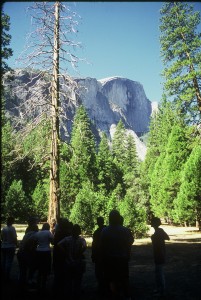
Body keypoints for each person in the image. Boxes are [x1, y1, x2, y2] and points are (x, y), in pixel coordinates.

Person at [100, 210, 134, 299]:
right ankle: (126, 296)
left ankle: (114, 295)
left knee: (111, 279)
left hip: (109, 260)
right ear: (119, 218)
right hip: (122, 259)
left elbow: (102, 246)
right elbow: (130, 242)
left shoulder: (105, 231)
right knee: (124, 278)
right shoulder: (125, 230)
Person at [58, 224, 87, 299]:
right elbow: (85, 246)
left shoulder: (67, 239)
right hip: (77, 262)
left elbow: (59, 244)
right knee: (77, 280)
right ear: (79, 231)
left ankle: (68, 294)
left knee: (68, 280)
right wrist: (80, 252)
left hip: (68, 262)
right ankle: (76, 294)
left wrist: (65, 252)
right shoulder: (81, 239)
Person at [151, 217, 170, 297]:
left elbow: (166, 238)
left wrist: (154, 237)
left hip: (159, 254)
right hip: (160, 254)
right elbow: (167, 238)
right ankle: (159, 289)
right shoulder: (160, 231)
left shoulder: (156, 234)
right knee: (158, 272)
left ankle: (161, 290)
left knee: (159, 273)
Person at [17, 223, 39, 288]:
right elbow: (31, 245)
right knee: (32, 267)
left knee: (22, 270)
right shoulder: (35, 235)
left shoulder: (27, 234)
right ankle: (29, 283)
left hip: (20, 252)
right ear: (36, 229)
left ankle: (21, 285)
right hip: (26, 253)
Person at [34, 222, 54, 292]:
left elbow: (35, 242)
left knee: (39, 269)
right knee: (45, 269)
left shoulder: (38, 233)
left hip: (38, 251)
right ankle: (43, 285)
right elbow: (52, 242)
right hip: (46, 251)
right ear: (48, 227)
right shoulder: (48, 233)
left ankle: (38, 284)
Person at [91, 216, 106, 293]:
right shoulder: (107, 230)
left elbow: (94, 244)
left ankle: (101, 286)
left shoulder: (96, 232)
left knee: (99, 272)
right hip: (106, 254)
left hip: (99, 254)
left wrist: (93, 255)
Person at [1, 217, 18, 283]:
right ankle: (7, 277)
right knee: (8, 262)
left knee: (3, 261)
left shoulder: (4, 228)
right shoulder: (12, 228)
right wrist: (16, 245)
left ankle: (3, 276)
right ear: (11, 221)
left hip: (3, 246)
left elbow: (1, 237)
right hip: (10, 246)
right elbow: (14, 238)